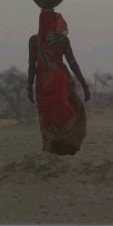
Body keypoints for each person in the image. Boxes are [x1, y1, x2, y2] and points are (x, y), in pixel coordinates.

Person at [27, 9, 90, 156]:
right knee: (74, 111)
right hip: (62, 82)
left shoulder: (34, 40)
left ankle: (50, 148)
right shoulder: (62, 40)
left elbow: (32, 65)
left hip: (43, 83)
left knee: (47, 116)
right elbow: (72, 63)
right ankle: (68, 147)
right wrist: (84, 84)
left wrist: (29, 86)